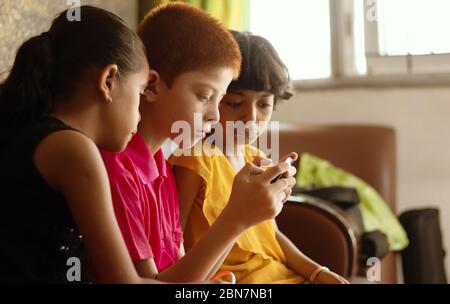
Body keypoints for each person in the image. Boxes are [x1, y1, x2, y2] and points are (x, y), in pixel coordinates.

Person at [99, 3, 297, 282]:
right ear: (153, 86)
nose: (215, 115)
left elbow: (182, 272)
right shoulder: (120, 169)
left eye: (220, 99)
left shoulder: (162, 170)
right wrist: (236, 218)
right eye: (205, 97)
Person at [170, 31, 350, 284]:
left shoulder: (256, 159)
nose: (251, 117)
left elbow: (271, 236)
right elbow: (171, 245)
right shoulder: (195, 159)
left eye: (263, 105)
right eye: (235, 103)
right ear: (213, 99)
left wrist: (318, 272)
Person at [0, 6, 163, 283]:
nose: (139, 115)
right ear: (109, 81)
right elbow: (124, 282)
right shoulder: (73, 150)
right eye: (138, 93)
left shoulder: (35, 134)